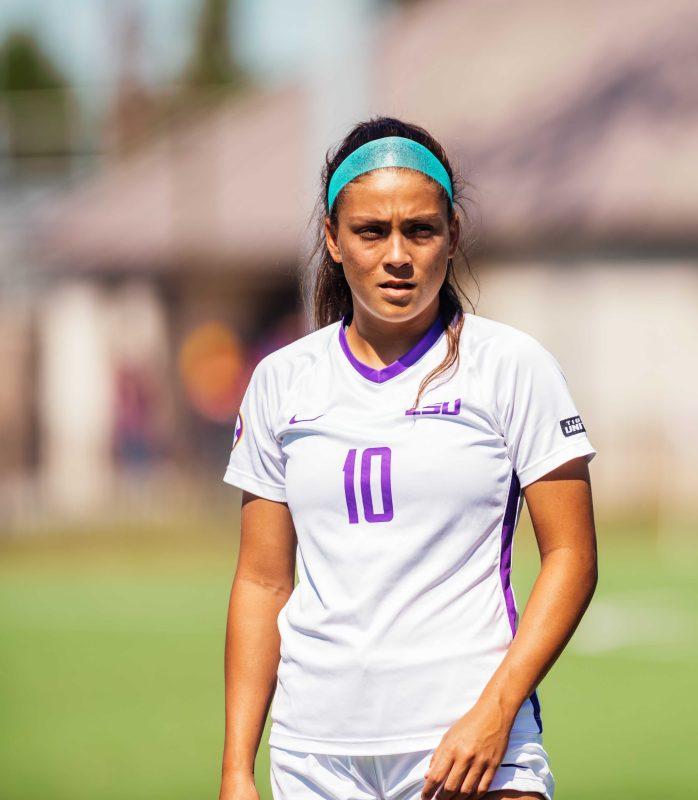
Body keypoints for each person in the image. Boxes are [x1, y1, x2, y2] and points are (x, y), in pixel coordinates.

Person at [218, 117, 598, 800]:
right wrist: (237, 769)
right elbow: (262, 584)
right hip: (314, 758)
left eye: (419, 230)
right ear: (333, 239)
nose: (398, 254)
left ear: (451, 235)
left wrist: (495, 713)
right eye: (371, 231)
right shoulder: (282, 381)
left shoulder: (512, 366)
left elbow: (571, 558)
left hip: (471, 749)